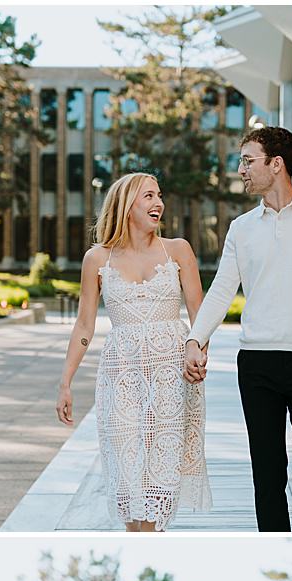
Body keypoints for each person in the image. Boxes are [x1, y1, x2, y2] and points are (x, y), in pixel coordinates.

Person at [183, 126, 292, 533]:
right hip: (257, 365)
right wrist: (195, 337)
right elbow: (222, 290)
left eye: (248, 160)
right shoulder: (242, 229)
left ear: (276, 164)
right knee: (267, 477)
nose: (241, 169)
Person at [55, 171, 212, 531]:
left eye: (159, 195)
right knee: (129, 478)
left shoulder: (178, 250)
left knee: (160, 478)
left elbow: (200, 316)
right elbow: (84, 326)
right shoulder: (97, 259)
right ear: (127, 205)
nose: (158, 203)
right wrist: (65, 382)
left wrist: (199, 352)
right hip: (121, 377)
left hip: (172, 376)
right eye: (149, 196)